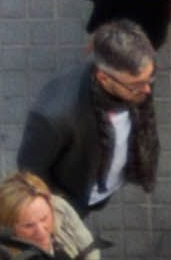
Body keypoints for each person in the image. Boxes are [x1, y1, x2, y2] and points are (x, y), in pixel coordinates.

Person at [20, 21, 161, 221]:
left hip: (104, 185)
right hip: (75, 196)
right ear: (104, 78)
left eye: (150, 79)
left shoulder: (138, 79)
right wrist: (54, 214)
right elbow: (32, 172)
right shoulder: (52, 116)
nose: (147, 90)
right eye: (137, 85)